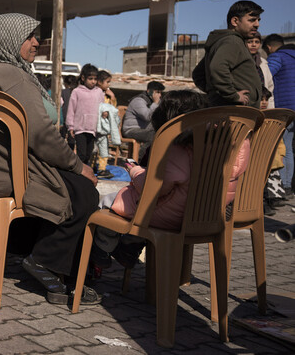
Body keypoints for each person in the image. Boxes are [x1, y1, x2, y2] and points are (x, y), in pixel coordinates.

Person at [0, 13, 101, 306]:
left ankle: (56, 264)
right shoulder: (13, 76)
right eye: (28, 36)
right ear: (9, 39)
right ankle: (47, 262)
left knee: (70, 186)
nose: (36, 42)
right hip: (7, 172)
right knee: (84, 191)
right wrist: (77, 165)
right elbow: (41, 135)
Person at [90, 90, 251, 271]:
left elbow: (155, 189)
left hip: (172, 216)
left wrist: (135, 171)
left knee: (111, 202)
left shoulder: (178, 147)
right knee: (143, 208)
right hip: (208, 215)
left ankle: (102, 250)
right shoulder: (229, 142)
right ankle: (129, 247)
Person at [192, 0, 263, 107]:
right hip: (235, 110)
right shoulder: (232, 41)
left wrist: (215, 93)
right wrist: (231, 95)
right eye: (252, 20)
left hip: (229, 108)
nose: (257, 24)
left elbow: (198, 74)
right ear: (235, 21)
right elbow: (217, 67)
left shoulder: (224, 41)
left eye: (258, 20)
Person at [267, 39, 295, 198]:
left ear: (269, 47)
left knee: (283, 148)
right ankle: (288, 186)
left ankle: (282, 187)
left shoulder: (277, 57)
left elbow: (266, 77)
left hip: (284, 109)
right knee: (289, 148)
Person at [66, 64, 103, 168]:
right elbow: (71, 110)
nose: (93, 81)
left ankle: (84, 172)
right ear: (83, 78)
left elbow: (102, 107)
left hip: (93, 129)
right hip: (80, 128)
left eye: (95, 79)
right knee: (81, 154)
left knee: (88, 154)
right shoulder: (77, 92)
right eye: (90, 79)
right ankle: (78, 172)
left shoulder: (99, 92)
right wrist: (71, 126)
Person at [122, 81, 164, 149]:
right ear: (149, 91)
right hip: (131, 130)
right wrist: (156, 103)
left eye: (161, 93)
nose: (160, 95)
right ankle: (141, 155)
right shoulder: (138, 101)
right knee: (152, 136)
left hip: (144, 129)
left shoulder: (151, 102)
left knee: (161, 133)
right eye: (157, 92)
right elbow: (147, 117)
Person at [95, 70, 120, 173]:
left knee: (104, 148)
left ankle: (102, 168)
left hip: (104, 128)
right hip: (95, 125)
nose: (109, 84)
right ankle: (91, 166)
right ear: (100, 82)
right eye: (107, 82)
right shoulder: (95, 93)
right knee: (93, 148)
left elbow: (113, 109)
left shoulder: (108, 95)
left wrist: (112, 97)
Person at [246, 33, 273, 110]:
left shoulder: (263, 63)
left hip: (263, 107)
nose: (254, 45)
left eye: (257, 42)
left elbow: (270, 88)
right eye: (250, 42)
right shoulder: (239, 61)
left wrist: (270, 110)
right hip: (247, 106)